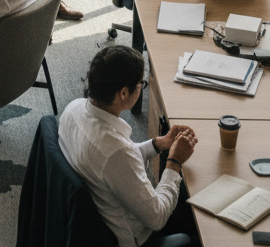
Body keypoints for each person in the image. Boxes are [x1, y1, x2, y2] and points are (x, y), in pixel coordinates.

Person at [59, 45, 197, 247]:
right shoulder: (114, 152)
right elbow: (157, 218)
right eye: (141, 83)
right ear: (124, 93)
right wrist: (174, 161)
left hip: (105, 206)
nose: (143, 86)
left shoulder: (74, 108)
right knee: (194, 236)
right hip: (133, 236)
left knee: (187, 198)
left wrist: (157, 144)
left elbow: (119, 161)